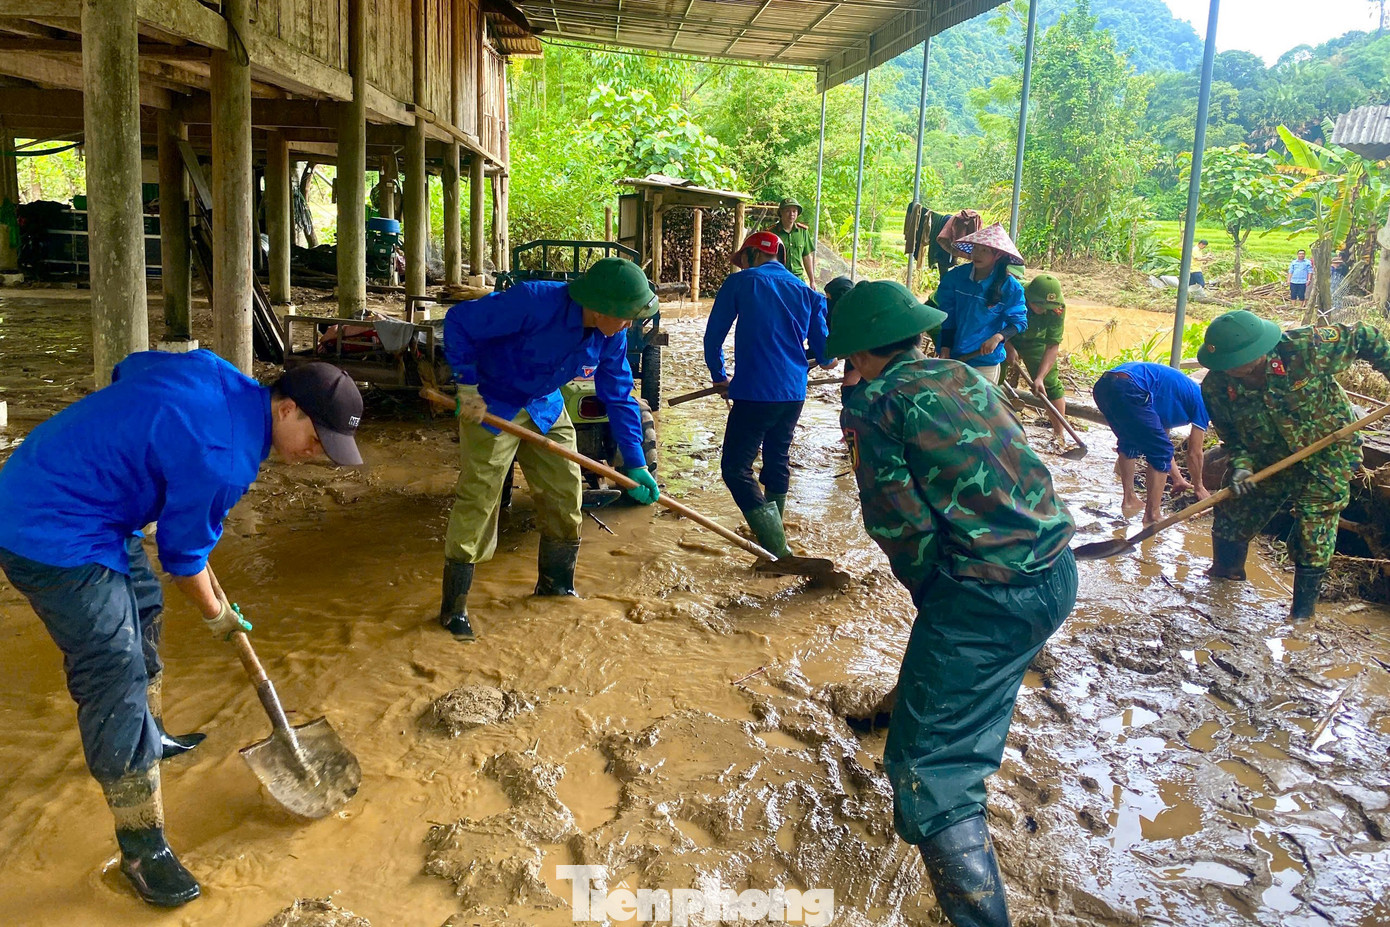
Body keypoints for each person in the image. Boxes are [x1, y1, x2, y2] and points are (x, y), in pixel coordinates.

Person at [0, 353, 363, 907]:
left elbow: (130, 370)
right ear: (287, 408)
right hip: (47, 525)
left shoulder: (216, 373)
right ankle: (143, 848)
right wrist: (219, 617)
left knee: (143, 604)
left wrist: (151, 450)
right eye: (318, 438)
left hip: (84, 494)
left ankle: (152, 734)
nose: (318, 455)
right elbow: (183, 558)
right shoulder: (225, 459)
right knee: (113, 669)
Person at [827, 279, 1076, 927]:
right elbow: (1025, 466)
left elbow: (897, 522)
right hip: (1057, 571)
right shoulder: (962, 375)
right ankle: (902, 706)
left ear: (857, 354)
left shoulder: (875, 404)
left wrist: (941, 600)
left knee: (925, 770)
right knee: (947, 668)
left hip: (987, 598)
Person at [441, 257, 660, 641]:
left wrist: (636, 464)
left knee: (565, 491)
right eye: (625, 315)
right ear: (598, 306)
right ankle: (453, 610)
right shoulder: (532, 302)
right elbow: (459, 322)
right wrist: (466, 386)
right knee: (480, 499)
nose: (629, 324)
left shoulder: (612, 335)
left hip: (545, 404)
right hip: (493, 404)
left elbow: (619, 395)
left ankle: (556, 587)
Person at [1198, 310, 1390, 621]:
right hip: (1264, 458)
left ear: (1259, 350)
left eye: (1239, 362)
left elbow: (1366, 336)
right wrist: (1243, 466)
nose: (1232, 370)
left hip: (1326, 453)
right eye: (1226, 365)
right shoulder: (1216, 387)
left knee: (1314, 529)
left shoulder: (1304, 348)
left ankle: (1301, 616)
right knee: (1233, 513)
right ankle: (1224, 583)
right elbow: (1232, 437)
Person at [706, 231, 832, 556]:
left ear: (749, 256)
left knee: (735, 469)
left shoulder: (741, 282)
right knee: (777, 460)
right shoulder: (807, 291)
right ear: (780, 256)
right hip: (794, 393)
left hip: (755, 392)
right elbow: (827, 354)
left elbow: (713, 337)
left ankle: (779, 552)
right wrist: (819, 359)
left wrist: (720, 376)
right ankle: (775, 538)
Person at [1092, 361, 1210, 524]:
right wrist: (1199, 487)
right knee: (1160, 450)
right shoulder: (1204, 402)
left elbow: (1160, 439)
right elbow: (1194, 453)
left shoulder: (1179, 396)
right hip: (1129, 385)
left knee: (1129, 441)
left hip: (1104, 386)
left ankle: (1129, 499)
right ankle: (1152, 515)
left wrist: (1178, 479)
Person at [933, 223, 1028, 383]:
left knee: (978, 406)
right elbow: (947, 316)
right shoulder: (955, 277)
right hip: (953, 356)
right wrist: (945, 347)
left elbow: (1019, 323)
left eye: (984, 250)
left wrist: (998, 337)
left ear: (997, 255)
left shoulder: (1011, 288)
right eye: (975, 248)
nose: (977, 254)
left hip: (985, 362)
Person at [1006, 273, 1069, 443]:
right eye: (1039, 305)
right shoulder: (1012, 291)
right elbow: (992, 322)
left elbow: (1052, 345)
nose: (1043, 310)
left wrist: (1040, 377)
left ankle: (1059, 435)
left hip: (1034, 340)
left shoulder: (1057, 307)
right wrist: (1007, 346)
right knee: (993, 376)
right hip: (1004, 335)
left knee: (1050, 384)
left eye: (1046, 307)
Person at [766, 196, 816, 284]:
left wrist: (812, 281)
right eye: (787, 211)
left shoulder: (803, 232)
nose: (791, 214)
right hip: (778, 279)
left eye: (794, 211)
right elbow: (765, 258)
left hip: (798, 279)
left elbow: (807, 256)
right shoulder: (771, 233)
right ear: (781, 212)